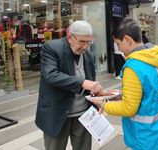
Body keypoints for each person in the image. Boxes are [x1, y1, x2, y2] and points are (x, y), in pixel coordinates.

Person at [91, 18, 158, 150]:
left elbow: (129, 108)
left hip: (145, 137)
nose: (118, 49)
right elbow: (151, 92)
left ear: (128, 40)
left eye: (118, 44)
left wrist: (103, 105)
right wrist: (121, 96)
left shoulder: (133, 67)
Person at [35, 20, 102, 150]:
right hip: (57, 114)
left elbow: (90, 84)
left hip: (83, 115)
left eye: (89, 42)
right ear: (70, 36)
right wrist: (82, 82)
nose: (85, 46)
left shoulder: (88, 55)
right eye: (82, 42)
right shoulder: (51, 48)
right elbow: (51, 76)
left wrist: (97, 99)